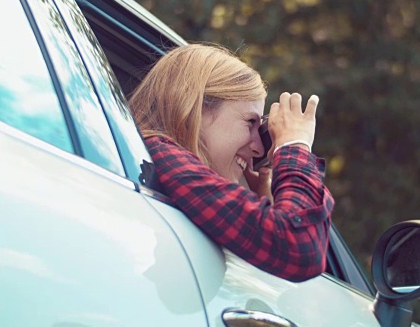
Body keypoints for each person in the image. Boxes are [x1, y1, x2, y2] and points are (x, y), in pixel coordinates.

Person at [128, 43, 334, 282]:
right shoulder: (163, 155)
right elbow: (300, 249)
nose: (258, 148)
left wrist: (264, 205)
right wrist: (294, 146)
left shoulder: (160, 165)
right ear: (197, 107)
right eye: (250, 123)